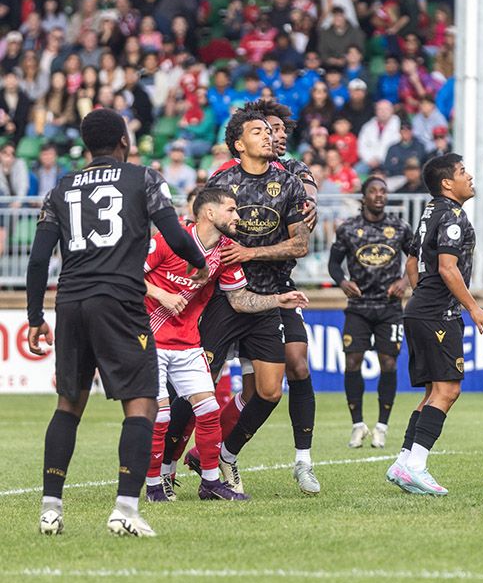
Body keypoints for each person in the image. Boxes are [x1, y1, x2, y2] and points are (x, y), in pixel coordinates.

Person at [27, 109, 208, 538]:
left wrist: (36, 317)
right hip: (121, 302)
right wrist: (199, 262)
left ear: (87, 146)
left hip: (71, 301)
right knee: (142, 403)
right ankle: (125, 509)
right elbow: (175, 235)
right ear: (124, 141)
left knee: (68, 404)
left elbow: (37, 260)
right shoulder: (144, 179)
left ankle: (50, 509)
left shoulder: (60, 188)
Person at [143, 188, 308, 501]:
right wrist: (161, 295)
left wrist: (278, 300)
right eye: (231, 210)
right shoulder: (169, 239)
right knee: (162, 416)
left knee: (208, 410)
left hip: (187, 342)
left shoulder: (226, 251)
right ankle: (155, 485)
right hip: (151, 338)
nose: (238, 216)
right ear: (209, 213)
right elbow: (125, 275)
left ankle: (210, 482)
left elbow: (239, 299)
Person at [195, 107, 310, 495]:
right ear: (239, 143)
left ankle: (225, 455)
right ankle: (164, 467)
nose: (270, 136)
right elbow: (203, 231)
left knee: (269, 390)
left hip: (269, 296)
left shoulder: (289, 180)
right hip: (223, 297)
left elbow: (301, 244)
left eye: (271, 130)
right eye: (259, 131)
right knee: (198, 386)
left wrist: (250, 253)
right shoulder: (222, 181)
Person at [385, 153, 483, 495]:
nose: (470, 176)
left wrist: (422, 294)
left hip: (421, 309)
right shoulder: (452, 216)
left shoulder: (430, 212)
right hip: (437, 313)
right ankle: (416, 466)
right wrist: (473, 308)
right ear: (447, 183)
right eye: (463, 171)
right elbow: (448, 268)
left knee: (434, 392)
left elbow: (412, 262)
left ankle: (404, 462)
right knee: (448, 390)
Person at [328, 177, 414, 448]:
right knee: (352, 361)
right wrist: (343, 282)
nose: (379, 195)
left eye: (383, 191)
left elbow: (416, 258)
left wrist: (405, 281)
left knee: (388, 363)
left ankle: (381, 427)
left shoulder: (399, 227)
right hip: (358, 307)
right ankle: (358, 425)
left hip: (390, 308)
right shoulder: (349, 229)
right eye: (373, 191)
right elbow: (333, 264)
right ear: (363, 197)